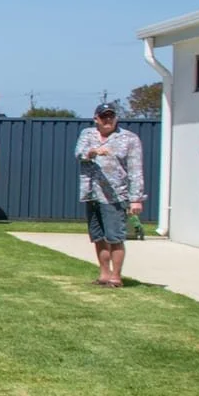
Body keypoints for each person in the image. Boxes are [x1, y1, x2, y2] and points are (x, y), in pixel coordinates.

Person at [77, 103, 145, 287]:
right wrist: (93, 152)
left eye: (111, 116)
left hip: (115, 195)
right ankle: (104, 275)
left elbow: (135, 170)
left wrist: (136, 198)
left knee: (115, 237)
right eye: (103, 116)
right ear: (96, 118)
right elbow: (79, 154)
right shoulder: (87, 134)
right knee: (98, 236)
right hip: (91, 193)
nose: (108, 120)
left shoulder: (129, 139)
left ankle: (116, 277)